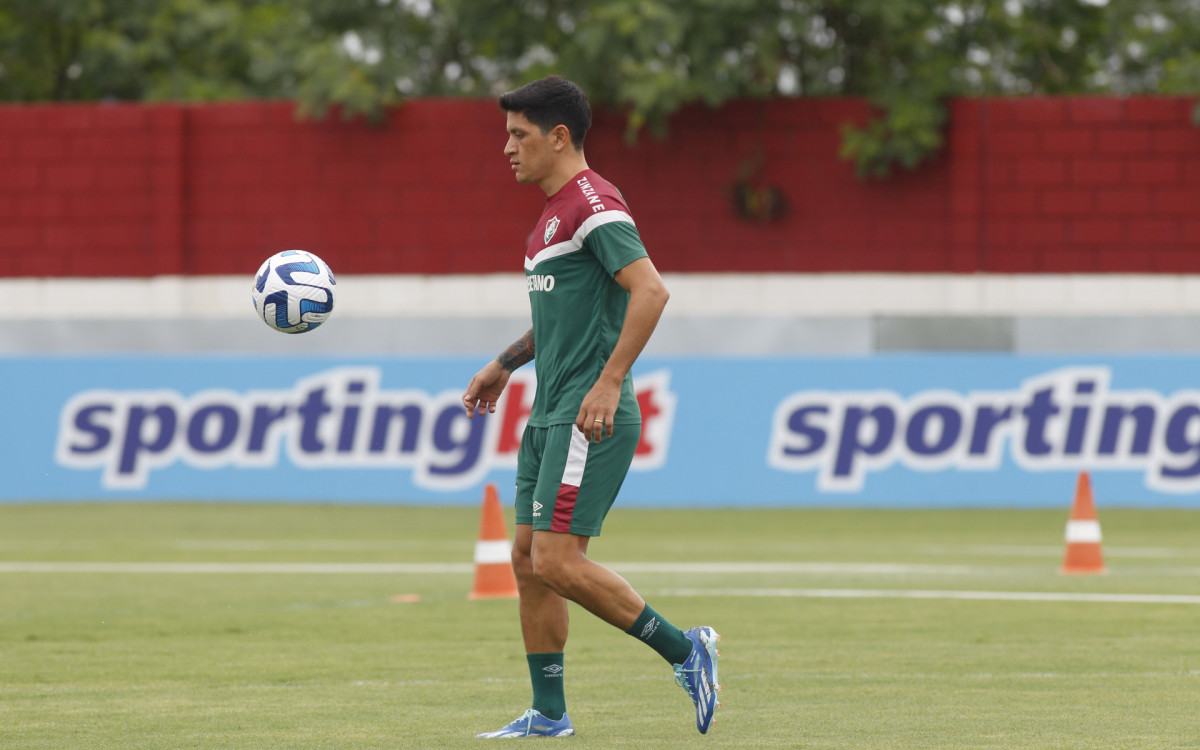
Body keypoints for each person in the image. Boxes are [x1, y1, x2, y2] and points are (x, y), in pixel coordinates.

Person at [462, 75, 720, 738]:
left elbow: (652, 292)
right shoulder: (549, 219)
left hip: (587, 414)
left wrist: (608, 383)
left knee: (554, 561)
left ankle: (687, 650)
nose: (507, 149)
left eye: (519, 136)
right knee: (525, 559)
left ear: (558, 137)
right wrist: (503, 364)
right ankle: (549, 714)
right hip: (548, 413)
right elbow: (561, 322)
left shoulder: (594, 205)